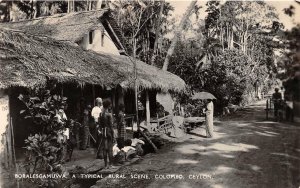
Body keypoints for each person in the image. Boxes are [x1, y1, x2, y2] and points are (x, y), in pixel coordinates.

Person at [97, 99, 114, 169]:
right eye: (110, 104)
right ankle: (111, 165)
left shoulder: (100, 114)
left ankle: (105, 165)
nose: (111, 106)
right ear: (108, 105)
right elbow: (111, 126)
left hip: (103, 131)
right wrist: (113, 135)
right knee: (110, 149)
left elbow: (99, 124)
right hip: (109, 131)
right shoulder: (109, 115)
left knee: (104, 148)